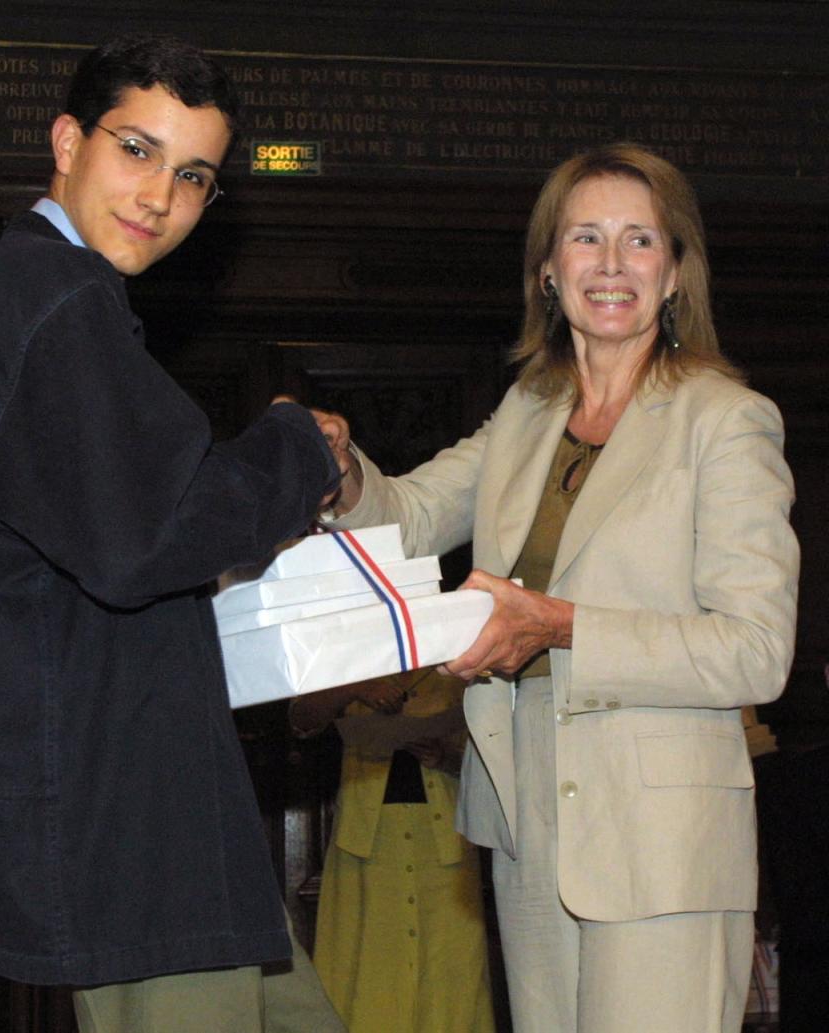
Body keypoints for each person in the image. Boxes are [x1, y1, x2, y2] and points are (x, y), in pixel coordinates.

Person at [0, 34, 347, 1033]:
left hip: (136, 813)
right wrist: (296, 446)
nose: (159, 197)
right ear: (66, 140)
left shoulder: (7, 300)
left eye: (192, 176)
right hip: (118, 820)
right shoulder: (51, 295)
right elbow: (148, 532)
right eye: (137, 150)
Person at [318, 142, 799, 1033]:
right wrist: (341, 468)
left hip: (662, 849)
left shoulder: (726, 421)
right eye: (586, 238)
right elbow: (411, 515)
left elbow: (756, 649)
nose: (611, 265)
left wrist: (559, 625)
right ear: (548, 271)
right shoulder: (525, 416)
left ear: (675, 273)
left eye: (639, 240)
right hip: (528, 826)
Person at [290, 669, 495, 1033]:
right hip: (366, 838)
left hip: (444, 837)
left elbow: (495, 753)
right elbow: (301, 718)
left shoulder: (459, 648)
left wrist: (445, 757)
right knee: (366, 970)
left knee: (452, 975)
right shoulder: (354, 647)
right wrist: (356, 686)